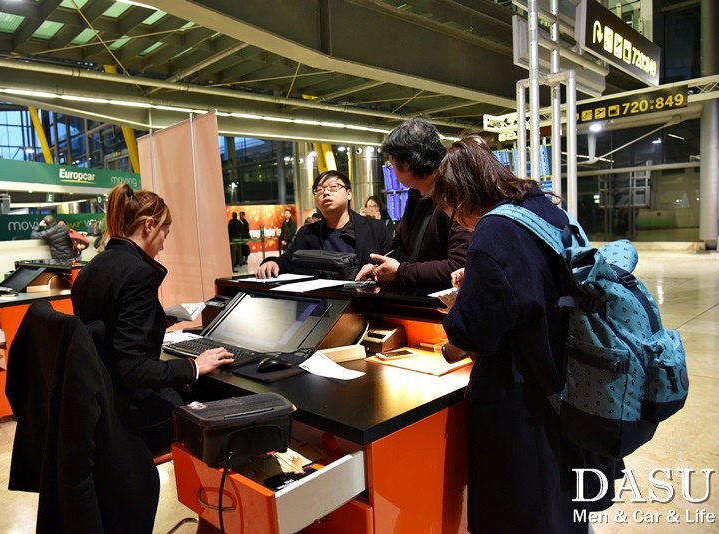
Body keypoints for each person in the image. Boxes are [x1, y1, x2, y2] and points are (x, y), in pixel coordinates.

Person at [433, 134, 621, 533]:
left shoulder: (492, 231)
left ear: (461, 195)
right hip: (572, 383)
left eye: (451, 209)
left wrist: (464, 297)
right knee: (564, 507)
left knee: (521, 512)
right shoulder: (547, 209)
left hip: (522, 402)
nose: (457, 220)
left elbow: (474, 334)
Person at [72, 183, 234, 451]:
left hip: (99, 400)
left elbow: (108, 324)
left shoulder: (92, 268)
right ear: (149, 226)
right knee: (214, 410)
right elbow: (133, 368)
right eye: (164, 234)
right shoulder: (139, 274)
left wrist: (158, 318)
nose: (162, 245)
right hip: (130, 411)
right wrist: (195, 366)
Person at [355, 118, 471, 291]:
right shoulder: (416, 194)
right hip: (417, 299)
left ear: (408, 165)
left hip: (443, 308)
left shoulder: (455, 194)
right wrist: (378, 267)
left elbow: (460, 267)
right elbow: (401, 246)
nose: (391, 169)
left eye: (391, 163)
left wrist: (401, 272)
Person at [256, 170, 391, 279]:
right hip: (323, 305)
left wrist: (375, 271)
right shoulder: (307, 233)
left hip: (366, 303)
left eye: (333, 187)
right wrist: (273, 262)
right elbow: (289, 259)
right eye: (319, 190)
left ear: (349, 193)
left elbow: (392, 261)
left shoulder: (375, 228)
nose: (325, 192)